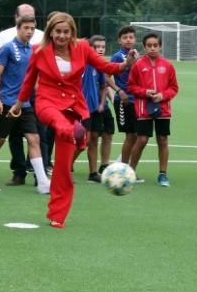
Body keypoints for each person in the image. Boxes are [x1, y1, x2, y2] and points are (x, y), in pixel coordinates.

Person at [10, 12, 134, 228]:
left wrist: (126, 64)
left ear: (72, 32)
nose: (62, 36)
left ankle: (57, 215)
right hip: (47, 102)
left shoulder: (83, 48)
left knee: (63, 166)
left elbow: (107, 68)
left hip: (74, 106)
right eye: (58, 32)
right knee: (60, 125)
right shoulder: (38, 50)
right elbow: (29, 81)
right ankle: (76, 134)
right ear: (51, 32)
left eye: (66, 32)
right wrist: (19, 104)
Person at [0, 16, 50, 194]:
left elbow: (34, 79)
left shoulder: (33, 50)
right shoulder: (8, 47)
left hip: (25, 104)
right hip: (7, 103)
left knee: (34, 139)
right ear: (18, 28)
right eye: (26, 28)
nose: (30, 31)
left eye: (32, 28)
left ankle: (42, 182)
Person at [126, 33, 179, 186]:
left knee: (162, 139)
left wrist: (163, 95)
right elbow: (131, 86)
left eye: (155, 45)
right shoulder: (138, 65)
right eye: (149, 45)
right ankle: (130, 172)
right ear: (144, 47)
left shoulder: (168, 65)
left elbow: (174, 88)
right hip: (144, 107)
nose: (152, 48)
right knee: (141, 139)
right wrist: (145, 92)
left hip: (163, 108)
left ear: (160, 46)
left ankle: (163, 174)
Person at [82, 35, 114, 183]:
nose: (100, 50)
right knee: (81, 141)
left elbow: (103, 86)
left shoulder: (99, 65)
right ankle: (65, 167)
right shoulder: (80, 63)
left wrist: (102, 104)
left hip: (94, 110)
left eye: (102, 47)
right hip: (80, 109)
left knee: (93, 139)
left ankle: (93, 173)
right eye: (97, 47)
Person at [110, 25, 140, 165]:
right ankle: (123, 167)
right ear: (119, 41)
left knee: (137, 135)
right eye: (125, 37)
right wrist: (119, 90)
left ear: (135, 39)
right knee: (131, 135)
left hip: (137, 100)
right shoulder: (118, 56)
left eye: (131, 37)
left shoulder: (137, 55)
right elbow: (105, 76)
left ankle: (122, 163)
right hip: (125, 100)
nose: (128, 40)